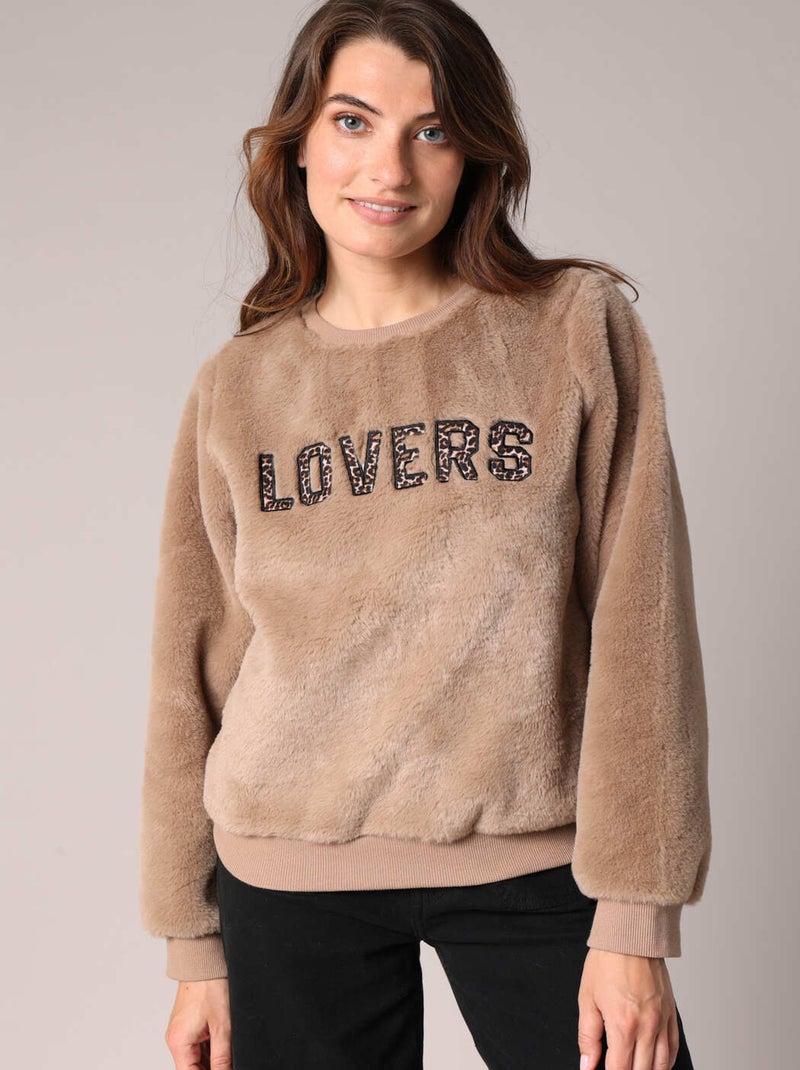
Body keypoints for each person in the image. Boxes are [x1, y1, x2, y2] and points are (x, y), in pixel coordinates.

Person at [138, 0, 712, 1067]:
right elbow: (191, 670)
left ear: (474, 153)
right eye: (353, 121)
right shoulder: (239, 386)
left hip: (530, 858)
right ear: (298, 141)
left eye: (432, 130)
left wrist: (635, 918)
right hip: (284, 869)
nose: (389, 167)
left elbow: (644, 632)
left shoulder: (572, 330)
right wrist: (194, 943)